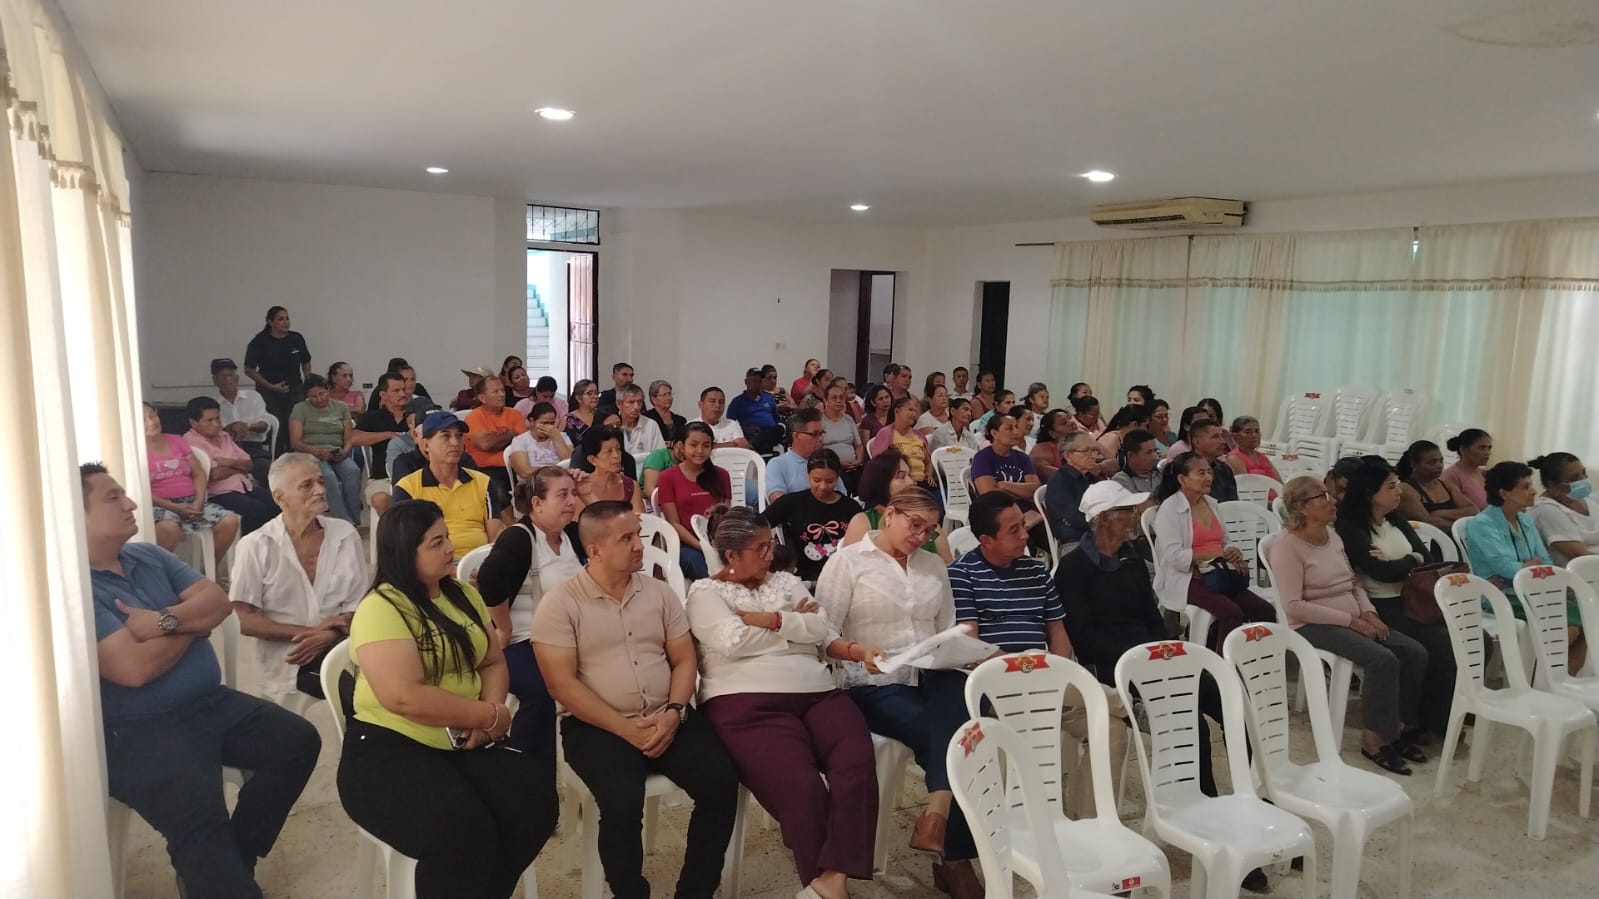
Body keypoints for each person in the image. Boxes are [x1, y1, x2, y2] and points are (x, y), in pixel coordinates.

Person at [83, 463, 319, 898]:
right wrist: (193, 627)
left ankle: (235, 855)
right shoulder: (79, 590)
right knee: (201, 818)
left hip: (209, 702)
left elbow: (218, 602)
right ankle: (221, 871)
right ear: (75, 516)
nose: (131, 503)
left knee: (297, 741)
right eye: (113, 498)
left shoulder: (147, 555)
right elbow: (134, 669)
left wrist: (163, 622)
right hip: (142, 731)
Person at [1054, 477, 1270, 891]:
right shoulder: (1074, 568)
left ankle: (1250, 803)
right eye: (1127, 512)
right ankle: (1210, 820)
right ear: (1103, 519)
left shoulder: (1132, 560)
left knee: (1233, 704)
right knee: (1191, 724)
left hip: (1154, 657)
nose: (1135, 518)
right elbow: (1085, 639)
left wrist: (1166, 652)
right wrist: (1144, 659)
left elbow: (1152, 620)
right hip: (1118, 667)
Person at [338, 500, 555, 898]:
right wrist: (486, 716)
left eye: (447, 538)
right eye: (436, 543)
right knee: (460, 832)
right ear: (405, 551)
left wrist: (491, 717)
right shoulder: (381, 608)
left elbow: (492, 661)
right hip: (391, 747)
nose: (450, 548)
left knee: (534, 804)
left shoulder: (461, 594)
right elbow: (404, 697)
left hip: (465, 740)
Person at [532, 502, 739, 899]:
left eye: (638, 536)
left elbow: (684, 659)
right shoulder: (560, 604)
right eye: (626, 539)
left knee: (721, 782)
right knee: (622, 801)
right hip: (595, 726)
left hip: (666, 714)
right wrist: (626, 729)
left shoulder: (659, 593)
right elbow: (563, 687)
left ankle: (695, 891)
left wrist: (674, 712)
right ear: (595, 550)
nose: (639, 546)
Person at [687, 506, 878, 899]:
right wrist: (795, 626)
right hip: (745, 702)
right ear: (731, 556)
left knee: (856, 763)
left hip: (817, 691)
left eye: (770, 544)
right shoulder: (704, 593)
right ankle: (829, 886)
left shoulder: (787, 583)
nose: (770, 554)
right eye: (760, 548)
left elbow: (822, 629)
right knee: (803, 788)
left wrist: (770, 621)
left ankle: (830, 882)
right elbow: (733, 642)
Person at [816, 488, 981, 899]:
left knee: (975, 718)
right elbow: (822, 636)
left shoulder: (933, 565)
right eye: (914, 525)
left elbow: (947, 628)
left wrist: (963, 652)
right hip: (872, 680)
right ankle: (955, 858)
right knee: (947, 736)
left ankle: (937, 815)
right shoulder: (848, 562)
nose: (921, 536)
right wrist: (859, 652)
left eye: (930, 530)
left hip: (932, 672)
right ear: (889, 514)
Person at [951, 491, 1131, 817]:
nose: (1025, 535)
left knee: (1111, 729)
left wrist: (1056, 672)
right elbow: (971, 645)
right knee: (1105, 702)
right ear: (986, 540)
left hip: (1047, 680)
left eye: (1023, 525)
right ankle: (1125, 701)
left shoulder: (1035, 569)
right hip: (998, 685)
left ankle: (1090, 825)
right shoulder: (962, 574)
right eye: (1014, 531)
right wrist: (1023, 667)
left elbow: (1057, 630)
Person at [1272, 475, 1430, 774]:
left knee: (1414, 652)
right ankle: (1374, 740)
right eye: (1322, 496)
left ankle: (1399, 728)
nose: (1332, 500)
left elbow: (1353, 582)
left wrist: (1368, 613)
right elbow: (1293, 606)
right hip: (1310, 624)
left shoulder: (1332, 536)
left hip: (1353, 616)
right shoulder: (1286, 546)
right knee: (1381, 659)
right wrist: (1352, 622)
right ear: (1303, 507)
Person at [475, 466, 586, 787]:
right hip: (523, 640)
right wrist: (504, 628)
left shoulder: (570, 535)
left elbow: (606, 534)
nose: (571, 501)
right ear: (537, 504)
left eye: (573, 494)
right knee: (542, 692)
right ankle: (526, 780)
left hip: (568, 638)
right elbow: (488, 581)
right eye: (562, 495)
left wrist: (589, 493)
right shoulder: (520, 538)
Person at [228, 453, 365, 702]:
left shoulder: (344, 535)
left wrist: (330, 635)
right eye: (307, 485)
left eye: (321, 482)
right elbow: (243, 619)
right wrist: (310, 634)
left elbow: (359, 605)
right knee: (366, 689)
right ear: (279, 497)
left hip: (344, 645)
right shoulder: (256, 545)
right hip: (288, 658)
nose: (320, 490)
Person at [1466, 461, 1585, 671]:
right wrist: (1528, 566)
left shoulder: (1524, 520)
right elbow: (1504, 566)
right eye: (1526, 487)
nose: (1534, 491)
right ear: (1504, 493)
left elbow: (1544, 560)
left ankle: (1560, 675)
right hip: (1500, 593)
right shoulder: (1482, 524)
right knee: (1570, 623)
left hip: (1531, 589)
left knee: (1584, 616)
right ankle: (1543, 674)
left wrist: (1527, 567)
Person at [1151, 452, 1276, 650]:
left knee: (1264, 610)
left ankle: (1255, 656)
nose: (1208, 477)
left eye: (1209, 472)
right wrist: (1215, 555)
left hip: (1218, 574)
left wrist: (1231, 551)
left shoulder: (1211, 503)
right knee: (1231, 613)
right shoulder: (1170, 510)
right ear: (1182, 479)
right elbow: (1174, 557)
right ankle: (1218, 662)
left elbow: (1224, 541)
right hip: (1187, 578)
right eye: (1201, 473)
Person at [393, 411, 505, 558]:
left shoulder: (483, 483)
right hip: (432, 565)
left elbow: (495, 536)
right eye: (445, 436)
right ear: (426, 445)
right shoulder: (408, 488)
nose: (455, 443)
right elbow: (407, 544)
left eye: (459, 436)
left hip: (478, 562)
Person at [144, 402, 241, 565]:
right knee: (168, 528)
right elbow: (142, 490)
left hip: (191, 502)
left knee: (230, 520)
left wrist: (198, 502)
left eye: (153, 416)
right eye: (143, 420)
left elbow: (198, 474)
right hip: (159, 506)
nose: (152, 422)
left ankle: (207, 569)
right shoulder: (134, 451)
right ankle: (162, 572)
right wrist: (174, 507)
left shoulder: (176, 440)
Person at [764, 450, 864, 582]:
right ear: (808, 475)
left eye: (829, 481)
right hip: (804, 577)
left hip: (843, 577)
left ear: (838, 477)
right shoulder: (792, 502)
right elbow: (760, 524)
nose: (822, 487)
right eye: (816, 480)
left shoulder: (851, 507)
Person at [184, 396, 279, 534]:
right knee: (256, 509)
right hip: (218, 493)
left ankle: (277, 541)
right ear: (193, 423)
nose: (216, 424)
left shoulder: (224, 436)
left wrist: (230, 463)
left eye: (218, 418)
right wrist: (238, 469)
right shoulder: (190, 442)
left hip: (244, 487)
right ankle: (250, 544)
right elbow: (214, 474)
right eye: (209, 420)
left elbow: (249, 465)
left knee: (277, 500)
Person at [843, 448, 955, 563]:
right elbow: (852, 566)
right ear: (881, 482)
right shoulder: (863, 522)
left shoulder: (927, 522)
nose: (911, 482)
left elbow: (947, 565)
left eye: (910, 475)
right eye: (901, 477)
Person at [657, 422, 732, 578]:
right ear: (681, 446)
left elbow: (725, 516)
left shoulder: (722, 475)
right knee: (704, 569)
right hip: (686, 545)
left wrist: (718, 545)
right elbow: (674, 523)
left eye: (706, 446)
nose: (700, 451)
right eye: (693, 445)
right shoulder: (667, 477)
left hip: (719, 542)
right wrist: (702, 546)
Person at [287, 374, 361, 525]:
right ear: (307, 397)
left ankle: (355, 517)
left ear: (328, 390)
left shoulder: (341, 407)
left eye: (322, 394)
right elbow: (295, 442)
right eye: (313, 396)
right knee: (327, 476)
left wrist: (345, 451)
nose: (319, 399)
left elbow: (349, 438)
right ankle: (343, 520)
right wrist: (317, 452)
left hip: (336, 452)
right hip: (311, 453)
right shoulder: (300, 409)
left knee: (353, 471)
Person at [242, 305, 312, 439]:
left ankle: (294, 451)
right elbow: (249, 370)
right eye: (281, 319)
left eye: (287, 318)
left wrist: (308, 380)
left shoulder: (296, 338)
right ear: (270, 322)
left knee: (296, 426)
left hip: (295, 390)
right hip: (269, 392)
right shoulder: (259, 341)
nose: (286, 322)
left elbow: (306, 361)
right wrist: (270, 386)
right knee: (276, 428)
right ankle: (277, 451)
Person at [970, 413, 1043, 528]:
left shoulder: (1022, 457)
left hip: (1028, 514)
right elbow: (989, 495)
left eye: (1016, 427)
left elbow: (1035, 489)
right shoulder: (983, 458)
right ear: (994, 433)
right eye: (1009, 428)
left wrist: (1004, 485)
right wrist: (1023, 493)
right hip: (998, 516)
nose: (1016, 432)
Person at [211, 357, 275, 482]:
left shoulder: (253, 397)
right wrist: (230, 429)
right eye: (223, 376)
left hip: (253, 449)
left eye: (230, 375)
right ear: (215, 380)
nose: (228, 380)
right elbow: (211, 434)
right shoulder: (213, 404)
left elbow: (265, 424)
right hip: (226, 451)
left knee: (267, 469)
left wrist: (247, 427)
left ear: (237, 377)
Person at [1529, 451, 1599, 566]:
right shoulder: (1546, 510)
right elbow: (1579, 556)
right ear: (1552, 485)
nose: (1583, 480)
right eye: (1574, 478)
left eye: (1584, 473)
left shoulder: (1589, 500)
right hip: (1583, 572)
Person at [463, 376, 526, 499]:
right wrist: (510, 435)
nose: (502, 394)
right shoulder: (474, 417)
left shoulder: (515, 414)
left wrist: (495, 438)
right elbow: (486, 444)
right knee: (498, 495)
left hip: (517, 466)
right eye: (495, 391)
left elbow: (522, 442)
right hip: (486, 469)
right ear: (482, 398)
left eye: (502, 390)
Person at [351, 371, 416, 486]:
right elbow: (353, 438)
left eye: (404, 389)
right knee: (380, 497)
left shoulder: (416, 415)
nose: (402, 394)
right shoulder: (373, 416)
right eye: (396, 391)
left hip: (414, 477)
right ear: (383, 395)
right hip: (382, 479)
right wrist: (388, 435)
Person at [1396, 440, 1477, 531]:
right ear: (1414, 464)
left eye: (1441, 461)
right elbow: (1430, 524)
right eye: (1432, 462)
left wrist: (1441, 513)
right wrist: (1460, 525)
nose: (1439, 466)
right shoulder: (1405, 489)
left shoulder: (1447, 485)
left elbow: (1473, 510)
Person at [1043, 431, 1103, 550]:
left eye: (1095, 450)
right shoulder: (1058, 482)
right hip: (1077, 542)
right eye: (1086, 451)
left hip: (1099, 536)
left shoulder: (1092, 478)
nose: (1093, 455)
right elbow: (1077, 518)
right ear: (1068, 455)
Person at [766, 408, 840, 502]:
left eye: (821, 433)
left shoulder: (827, 461)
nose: (820, 439)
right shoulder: (778, 464)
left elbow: (842, 495)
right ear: (796, 436)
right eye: (814, 434)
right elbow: (778, 501)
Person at [572, 425, 645, 515]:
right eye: (609, 451)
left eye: (618, 449)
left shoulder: (631, 486)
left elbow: (640, 520)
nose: (616, 455)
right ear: (593, 460)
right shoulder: (581, 488)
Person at [868, 394, 934, 488]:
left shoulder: (920, 436)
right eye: (910, 410)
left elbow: (928, 462)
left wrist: (929, 474)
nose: (914, 414)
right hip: (900, 483)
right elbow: (879, 464)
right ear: (897, 411)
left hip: (922, 482)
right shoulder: (886, 433)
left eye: (915, 411)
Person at [507, 401, 574, 482]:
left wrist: (557, 438)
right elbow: (525, 472)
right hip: (533, 483)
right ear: (532, 421)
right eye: (544, 423)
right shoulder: (520, 441)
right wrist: (552, 476)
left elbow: (571, 464)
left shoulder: (562, 437)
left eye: (552, 423)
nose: (549, 427)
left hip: (561, 481)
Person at [729, 367, 785, 455]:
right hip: (751, 434)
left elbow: (777, 420)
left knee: (780, 428)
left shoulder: (768, 398)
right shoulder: (737, 402)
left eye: (759, 381)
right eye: (754, 381)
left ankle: (756, 442)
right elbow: (730, 424)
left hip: (770, 432)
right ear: (746, 382)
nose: (757, 384)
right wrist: (743, 430)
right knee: (765, 444)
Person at [819, 379, 865, 476]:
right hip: (829, 469)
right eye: (834, 397)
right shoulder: (819, 421)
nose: (838, 401)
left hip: (853, 468)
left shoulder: (848, 419)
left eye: (841, 397)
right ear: (826, 400)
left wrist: (858, 460)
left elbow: (858, 445)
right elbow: (817, 450)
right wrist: (837, 463)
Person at [1442, 428, 1492, 511]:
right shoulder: (1451, 476)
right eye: (1481, 448)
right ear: (1463, 449)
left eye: (1489, 448)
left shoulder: (1483, 473)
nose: (1487, 452)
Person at [1095, 404, 1153, 477]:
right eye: (1146, 426)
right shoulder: (1112, 438)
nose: (1146, 430)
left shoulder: (1131, 441)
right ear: (1135, 424)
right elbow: (1103, 470)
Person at [1189, 420, 1239, 502]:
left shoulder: (1224, 469)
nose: (1223, 441)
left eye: (1222, 436)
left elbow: (1233, 502)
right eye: (1215, 437)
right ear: (1197, 442)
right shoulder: (1182, 469)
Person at [1225, 415, 1283, 484]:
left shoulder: (1262, 457)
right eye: (1248, 432)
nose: (1254, 435)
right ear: (1235, 437)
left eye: (1257, 431)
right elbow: (1246, 486)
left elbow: (1279, 482)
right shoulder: (1234, 458)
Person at [639, 423, 686, 503]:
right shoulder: (658, 456)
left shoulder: (693, 460)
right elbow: (649, 491)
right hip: (651, 502)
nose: (684, 452)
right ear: (673, 443)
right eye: (681, 446)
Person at [616, 383, 666, 457]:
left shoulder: (651, 425)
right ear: (619, 404)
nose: (636, 407)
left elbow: (660, 455)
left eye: (639, 402)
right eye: (631, 402)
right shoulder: (612, 425)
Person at [1113, 428, 1162, 496]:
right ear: (1130, 455)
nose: (1154, 457)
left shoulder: (1161, 473)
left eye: (1155, 451)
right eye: (1148, 452)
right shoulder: (1121, 480)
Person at [1029, 409, 1074, 482]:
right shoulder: (1042, 449)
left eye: (1070, 419)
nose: (1071, 423)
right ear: (1052, 433)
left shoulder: (1080, 445)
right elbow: (1041, 470)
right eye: (1064, 423)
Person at [564, 378, 601, 445]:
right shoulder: (568, 419)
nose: (595, 396)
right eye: (590, 393)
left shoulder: (602, 414)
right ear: (578, 398)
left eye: (596, 393)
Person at [859, 384, 893, 448]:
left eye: (887, 397)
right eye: (880, 399)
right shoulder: (868, 420)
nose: (885, 401)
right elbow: (867, 445)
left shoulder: (896, 417)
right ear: (873, 403)